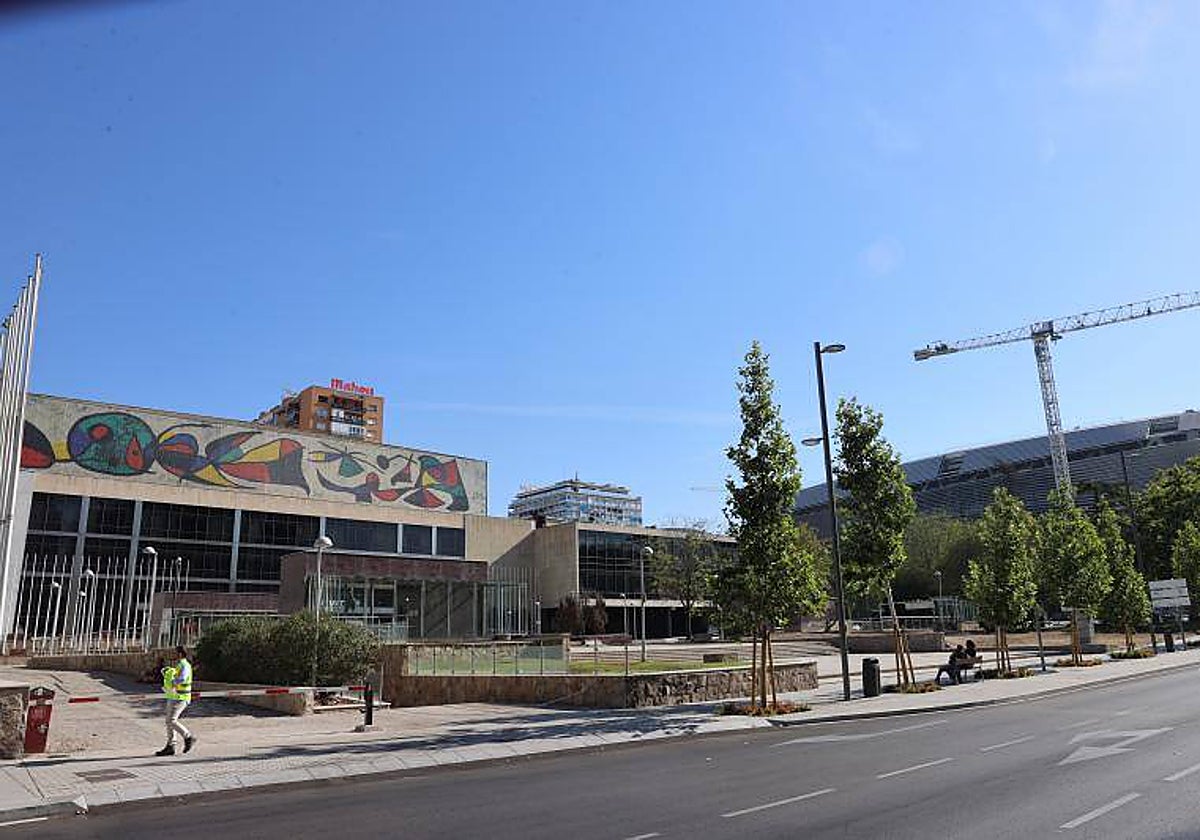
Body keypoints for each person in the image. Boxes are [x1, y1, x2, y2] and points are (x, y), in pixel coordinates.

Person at [155, 645, 195, 756]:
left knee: (171, 720)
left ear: (180, 654)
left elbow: (182, 679)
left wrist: (172, 682)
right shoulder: (180, 664)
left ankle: (188, 736)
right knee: (169, 721)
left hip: (181, 697)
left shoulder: (184, 665)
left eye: (175, 652)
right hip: (175, 696)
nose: (173, 654)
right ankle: (170, 746)